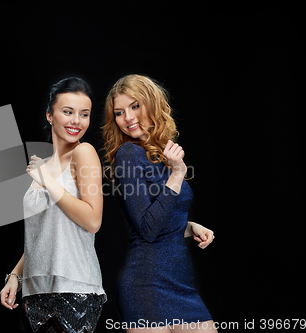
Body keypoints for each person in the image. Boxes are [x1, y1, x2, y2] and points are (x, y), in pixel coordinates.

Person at [103, 74, 217, 332]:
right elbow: (147, 228)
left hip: (181, 282)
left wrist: (188, 226)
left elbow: (160, 214)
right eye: (119, 112)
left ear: (151, 105)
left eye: (135, 106)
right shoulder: (128, 155)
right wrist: (178, 175)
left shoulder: (160, 153)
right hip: (147, 284)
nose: (128, 118)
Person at [0, 77, 107, 333]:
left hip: (74, 289)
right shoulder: (43, 166)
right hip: (35, 293)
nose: (76, 121)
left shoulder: (84, 153)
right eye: (68, 112)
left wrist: (47, 181)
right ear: (50, 115)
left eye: (84, 114)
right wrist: (15, 275)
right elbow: (44, 236)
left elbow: (93, 221)